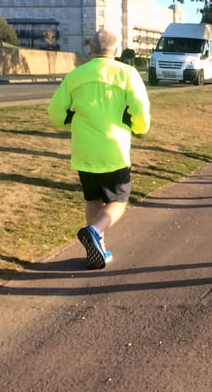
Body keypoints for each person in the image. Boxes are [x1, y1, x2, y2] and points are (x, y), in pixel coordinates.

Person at [47, 29, 151, 270]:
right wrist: (139, 128)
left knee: (93, 199)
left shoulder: (75, 75)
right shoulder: (127, 73)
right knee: (119, 200)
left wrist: (70, 122)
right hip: (113, 149)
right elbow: (140, 109)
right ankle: (94, 231)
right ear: (116, 50)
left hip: (84, 149)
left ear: (91, 49)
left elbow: (56, 112)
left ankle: (98, 250)